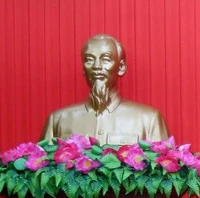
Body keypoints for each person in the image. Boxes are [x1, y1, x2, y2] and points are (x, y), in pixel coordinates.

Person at [41, 34, 169, 144]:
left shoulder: (148, 119)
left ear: (121, 67)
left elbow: (162, 169)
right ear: (83, 68)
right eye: (89, 60)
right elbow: (40, 168)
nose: (97, 66)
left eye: (106, 59)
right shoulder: (58, 119)